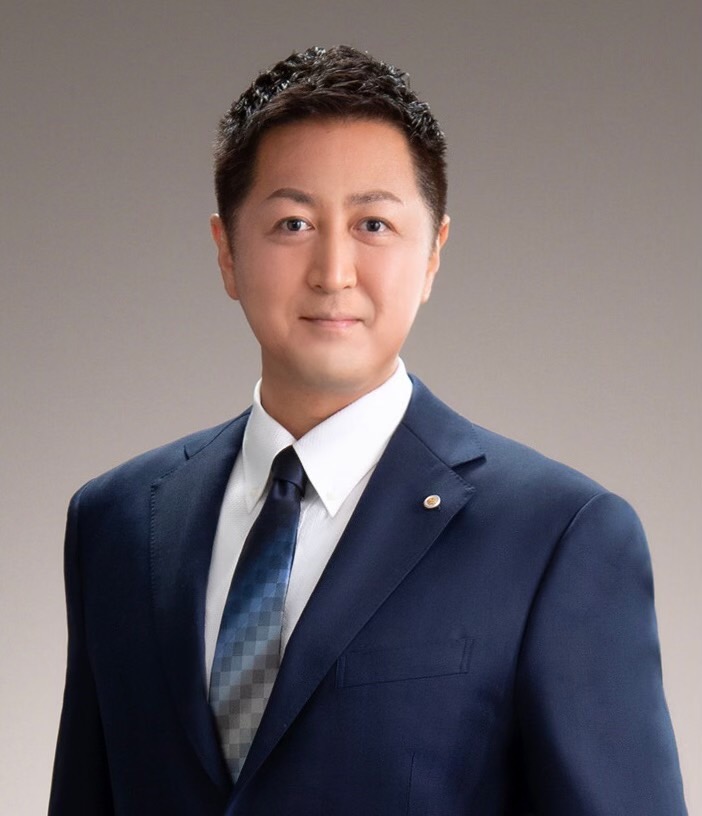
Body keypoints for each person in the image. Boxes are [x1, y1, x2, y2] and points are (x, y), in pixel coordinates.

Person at [49, 45, 687, 815]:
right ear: (226, 252)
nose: (334, 271)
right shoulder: (116, 523)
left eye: (373, 224)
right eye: (292, 223)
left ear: (433, 255)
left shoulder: (557, 537)